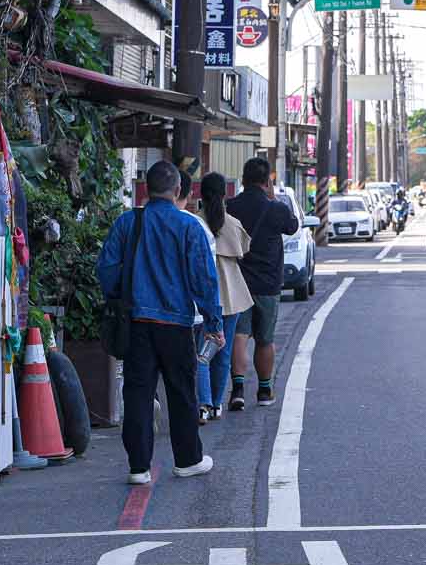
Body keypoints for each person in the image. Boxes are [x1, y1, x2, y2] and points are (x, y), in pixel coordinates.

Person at [95, 160, 221, 484]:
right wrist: (213, 320)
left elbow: (106, 268)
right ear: (180, 190)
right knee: (181, 393)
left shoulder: (127, 223)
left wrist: (121, 293)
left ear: (145, 189)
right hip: (177, 323)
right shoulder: (189, 227)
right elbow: (204, 279)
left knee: (138, 393)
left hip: (136, 321)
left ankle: (139, 467)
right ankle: (188, 459)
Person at [225, 156, 300, 410]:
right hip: (268, 283)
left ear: (243, 180)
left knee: (239, 336)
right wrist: (274, 198)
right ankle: (265, 391)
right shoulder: (275, 208)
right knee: (265, 339)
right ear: (267, 181)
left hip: (238, 282)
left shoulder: (231, 206)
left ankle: (237, 390)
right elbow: (293, 226)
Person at [195, 172, 252, 423]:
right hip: (232, 294)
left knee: (201, 353)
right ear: (224, 194)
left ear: (200, 194)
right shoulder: (234, 224)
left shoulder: (194, 222)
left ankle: (203, 404)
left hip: (201, 296)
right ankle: (217, 403)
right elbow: (244, 250)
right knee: (223, 351)